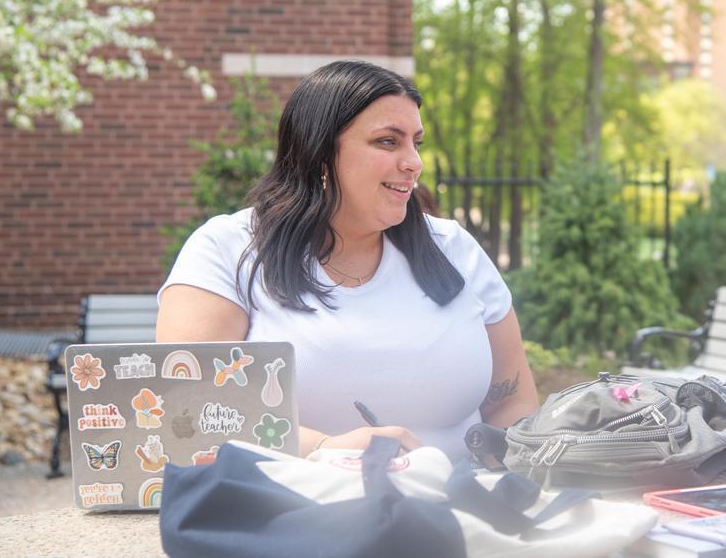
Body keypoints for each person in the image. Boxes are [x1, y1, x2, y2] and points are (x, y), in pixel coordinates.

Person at [156, 60, 538, 462]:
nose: (413, 162)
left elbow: (512, 406)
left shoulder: (456, 250)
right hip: (293, 511)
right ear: (319, 154)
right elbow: (188, 409)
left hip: (463, 507)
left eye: (416, 143)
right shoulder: (228, 251)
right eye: (388, 142)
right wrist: (324, 449)